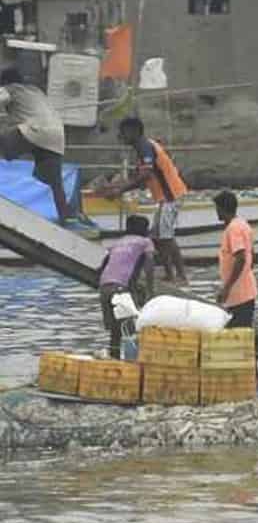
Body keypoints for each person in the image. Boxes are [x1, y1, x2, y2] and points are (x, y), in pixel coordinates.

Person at [101, 116, 189, 284]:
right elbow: (140, 179)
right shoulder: (142, 149)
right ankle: (170, 275)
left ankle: (181, 276)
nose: (121, 136)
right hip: (164, 198)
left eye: (124, 132)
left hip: (171, 195)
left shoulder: (145, 147)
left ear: (134, 131)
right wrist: (116, 188)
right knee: (159, 236)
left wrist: (120, 190)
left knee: (165, 237)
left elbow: (145, 176)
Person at [0, 67, 72, 222]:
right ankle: (66, 216)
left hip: (35, 130)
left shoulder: (11, 88)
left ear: (4, 81)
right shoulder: (37, 92)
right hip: (57, 136)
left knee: (3, 140)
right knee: (56, 184)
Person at [97, 215, 155, 358]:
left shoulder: (118, 242)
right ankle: (133, 361)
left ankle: (114, 356)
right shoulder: (145, 242)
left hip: (104, 286)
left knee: (115, 329)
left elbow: (103, 264)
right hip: (121, 287)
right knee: (131, 327)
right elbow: (149, 262)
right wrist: (150, 289)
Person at [215, 190, 258, 329]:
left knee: (237, 332)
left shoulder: (233, 229)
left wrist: (226, 288)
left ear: (222, 208)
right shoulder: (243, 224)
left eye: (217, 208)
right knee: (243, 330)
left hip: (238, 295)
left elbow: (241, 258)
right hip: (246, 290)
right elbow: (251, 253)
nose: (216, 212)